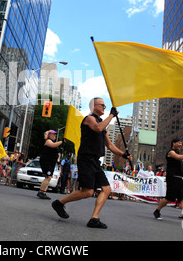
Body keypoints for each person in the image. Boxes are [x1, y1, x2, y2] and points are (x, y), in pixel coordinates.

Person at [51, 98, 131, 229]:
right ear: (94, 106)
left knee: (106, 189)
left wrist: (123, 154)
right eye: (103, 105)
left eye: (106, 106)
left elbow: (109, 145)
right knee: (88, 192)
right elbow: (98, 128)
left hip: (95, 161)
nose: (105, 107)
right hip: (86, 159)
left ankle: (94, 218)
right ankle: (59, 203)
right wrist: (112, 115)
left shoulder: (101, 123)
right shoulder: (89, 119)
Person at [153, 138, 183, 220]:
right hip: (172, 178)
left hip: (180, 179)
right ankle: (157, 210)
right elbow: (178, 157)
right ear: (173, 143)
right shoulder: (170, 152)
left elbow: (182, 168)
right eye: (179, 143)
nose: (180, 145)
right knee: (169, 198)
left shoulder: (178, 154)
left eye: (181, 143)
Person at [38, 130, 63, 199]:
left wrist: (58, 161)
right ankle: (41, 192)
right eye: (53, 134)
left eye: (55, 135)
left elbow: (54, 153)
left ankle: (43, 192)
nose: (54, 136)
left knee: (49, 177)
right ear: (49, 135)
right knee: (48, 177)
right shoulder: (48, 141)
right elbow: (53, 145)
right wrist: (61, 141)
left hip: (51, 162)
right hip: (46, 162)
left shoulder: (53, 142)